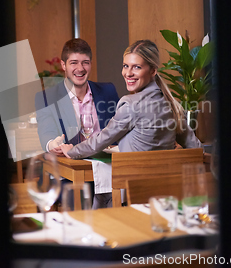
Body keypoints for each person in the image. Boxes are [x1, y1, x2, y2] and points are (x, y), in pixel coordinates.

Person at [60, 40, 202, 206]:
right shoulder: (173, 104)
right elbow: (195, 148)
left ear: (153, 71)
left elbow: (101, 140)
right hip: (166, 196)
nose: (128, 73)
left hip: (132, 196)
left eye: (137, 67)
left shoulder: (131, 104)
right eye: (126, 66)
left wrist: (72, 151)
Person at [35, 38, 120, 154]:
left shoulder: (108, 91)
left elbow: (121, 129)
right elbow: (46, 131)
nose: (80, 68)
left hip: (108, 163)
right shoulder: (46, 98)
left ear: (91, 64)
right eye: (74, 63)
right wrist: (52, 144)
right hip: (71, 166)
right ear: (63, 65)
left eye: (85, 62)